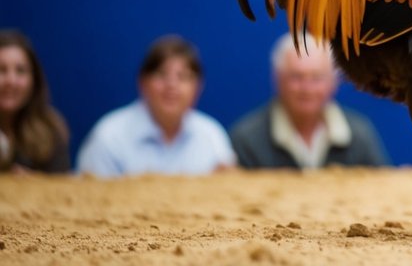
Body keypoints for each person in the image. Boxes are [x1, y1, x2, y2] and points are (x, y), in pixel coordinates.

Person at [76, 35, 235, 177]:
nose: (172, 85)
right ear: (142, 82)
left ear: (198, 87)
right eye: (161, 74)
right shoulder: (110, 137)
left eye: (183, 77)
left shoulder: (212, 136)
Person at [229, 34, 388, 170]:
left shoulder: (359, 134)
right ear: (278, 80)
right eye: (296, 77)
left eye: (317, 78)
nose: (307, 88)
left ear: (334, 83)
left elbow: (380, 188)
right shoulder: (247, 140)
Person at [0, 30, 70, 173]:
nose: (11, 81)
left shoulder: (50, 131)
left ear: (34, 80)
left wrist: (35, 183)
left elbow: (63, 188)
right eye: (1, 70)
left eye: (20, 71)